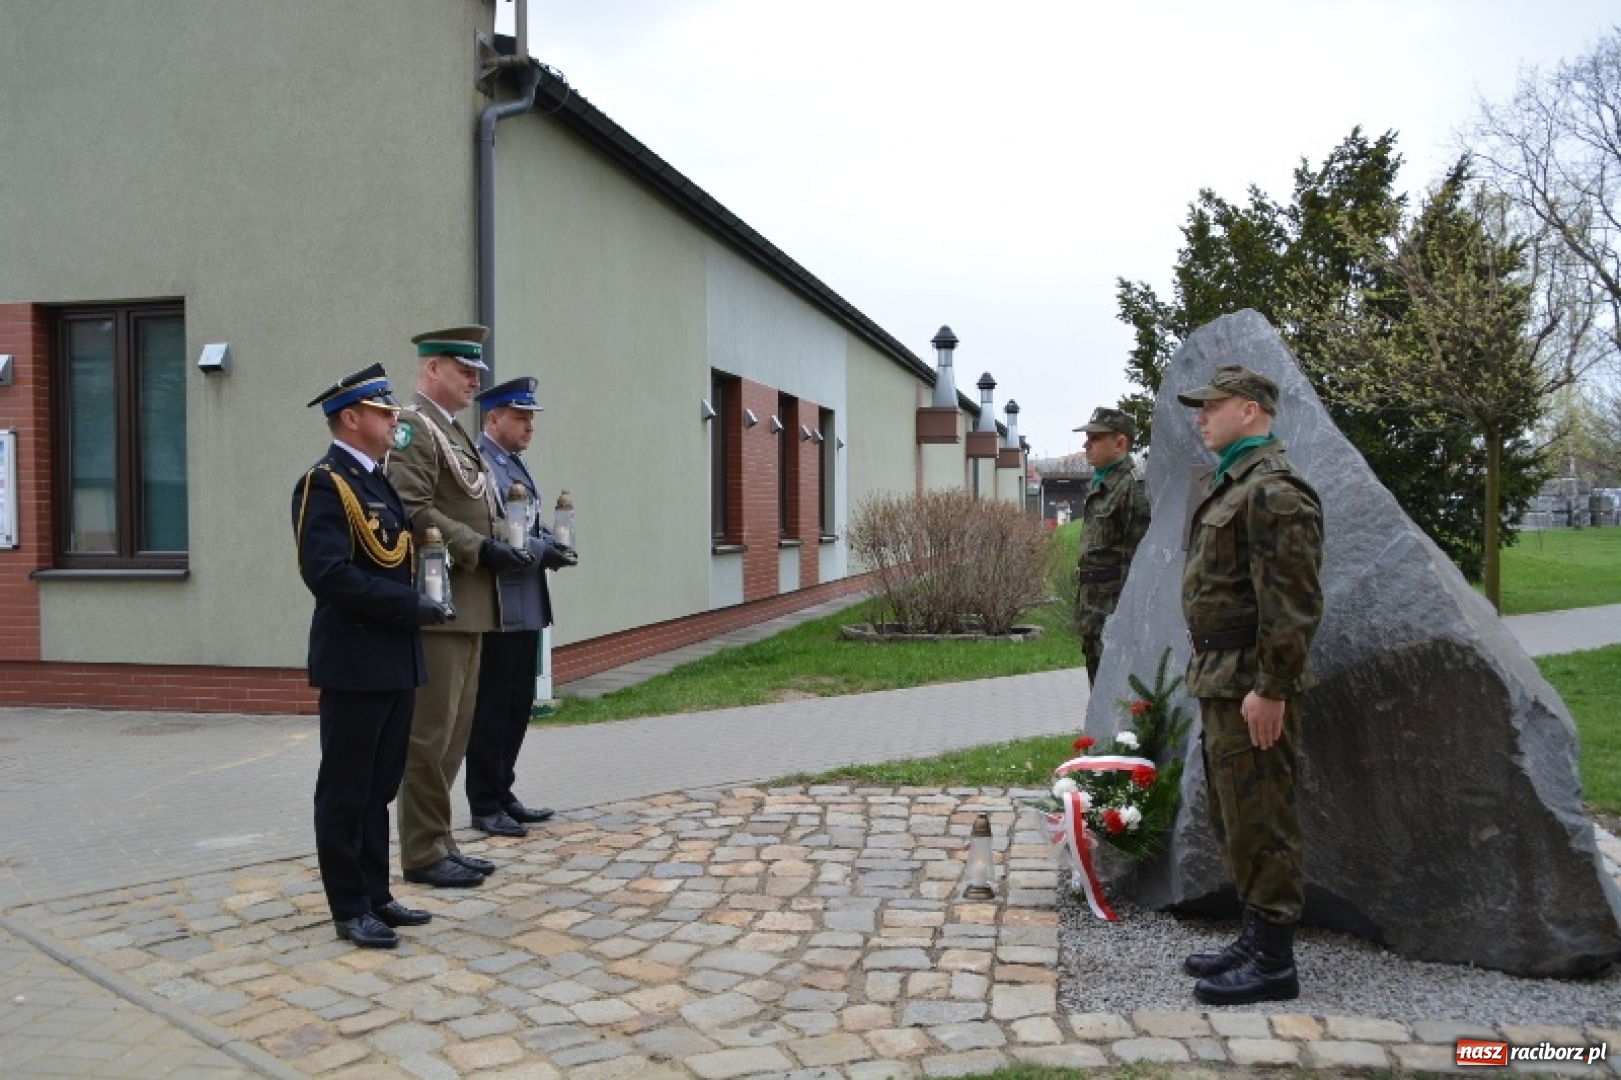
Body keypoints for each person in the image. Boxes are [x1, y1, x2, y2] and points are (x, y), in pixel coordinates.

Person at [1176, 364, 1324, 1006]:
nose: (1199, 417)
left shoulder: (1275, 490)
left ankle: (1273, 964)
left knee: (1263, 816)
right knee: (1236, 814)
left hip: (1250, 684)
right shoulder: (1235, 483)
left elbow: (1292, 603)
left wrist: (1274, 687)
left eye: (1210, 406)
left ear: (1248, 409)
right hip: (1221, 677)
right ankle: (1252, 934)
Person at [292, 364, 449, 948]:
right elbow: (326, 574)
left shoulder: (377, 481)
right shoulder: (325, 483)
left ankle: (376, 894)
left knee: (380, 785)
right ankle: (349, 906)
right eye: (383, 412)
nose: (393, 420)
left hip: (394, 657)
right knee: (346, 789)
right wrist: (408, 604)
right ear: (351, 419)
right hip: (355, 660)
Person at [386, 326, 533, 889]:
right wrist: (478, 547)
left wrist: (512, 543)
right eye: (464, 371)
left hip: (473, 604)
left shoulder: (451, 433)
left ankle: (440, 838)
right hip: (442, 602)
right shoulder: (413, 428)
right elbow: (411, 506)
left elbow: (478, 504)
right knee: (429, 733)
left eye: (477, 373)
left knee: (455, 733)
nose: (475, 381)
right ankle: (421, 851)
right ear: (431, 371)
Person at [466, 376, 577, 837]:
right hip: (499, 603)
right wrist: (539, 548)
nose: (529, 425)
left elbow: (525, 522)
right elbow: (493, 529)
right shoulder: (482, 466)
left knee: (518, 704)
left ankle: (503, 789)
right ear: (493, 418)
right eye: (520, 416)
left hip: (526, 600)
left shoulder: (514, 463)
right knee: (492, 707)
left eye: (532, 417)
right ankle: (484, 801)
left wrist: (556, 544)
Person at [1072, 406, 1151, 685]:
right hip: (1093, 611)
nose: (1086, 444)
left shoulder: (1132, 488)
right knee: (1098, 688)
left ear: (1120, 443)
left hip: (1114, 610)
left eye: (1095, 438)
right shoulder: (1102, 485)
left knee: (1115, 690)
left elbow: (1139, 558)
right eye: (1088, 437)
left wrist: (1128, 614)